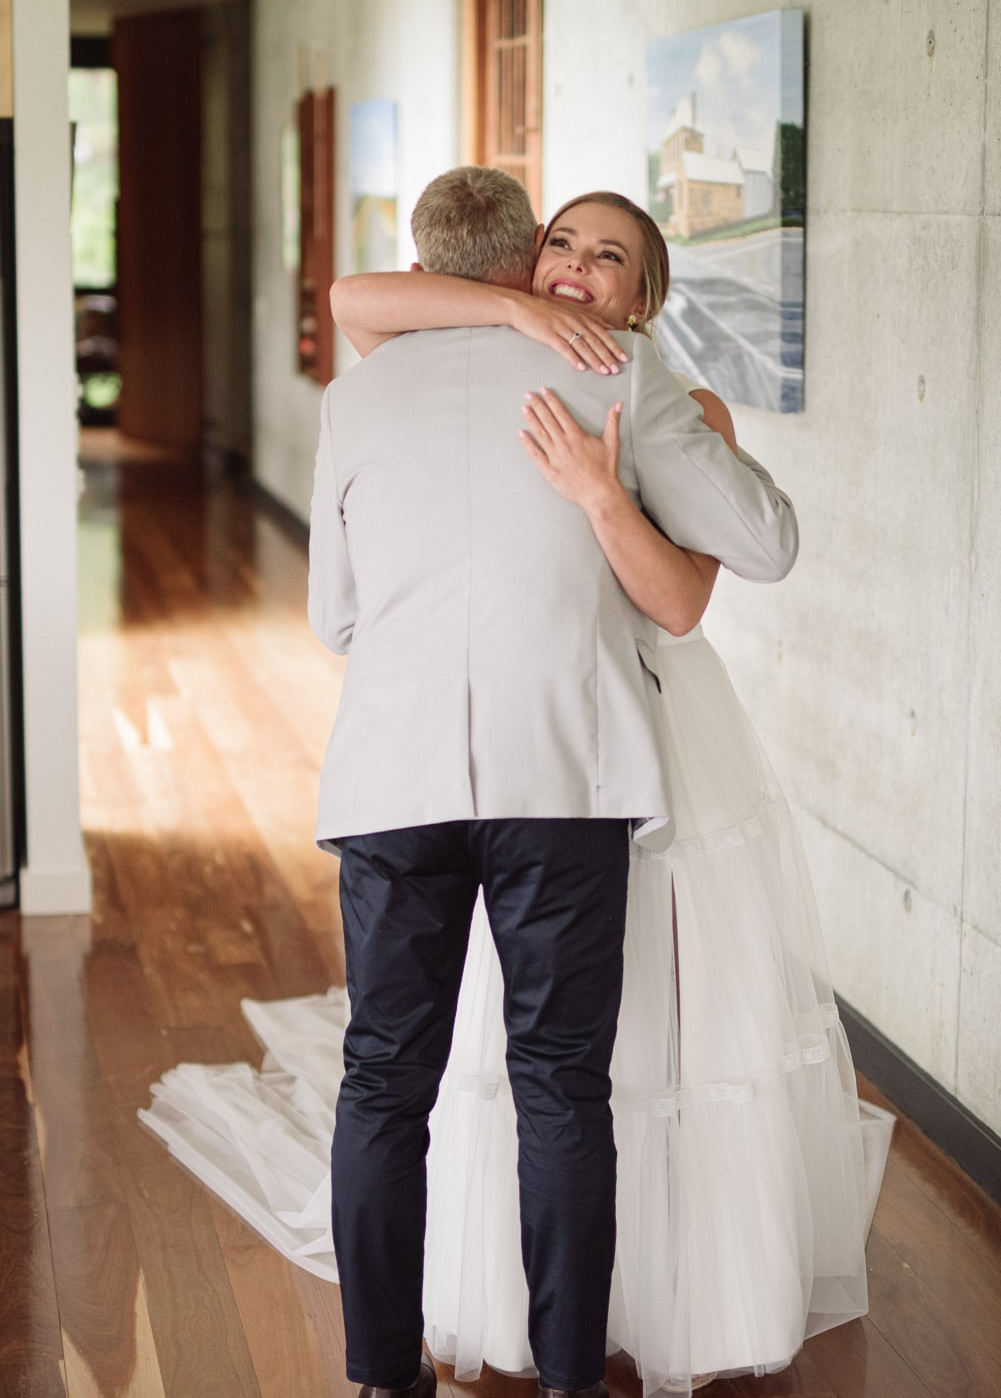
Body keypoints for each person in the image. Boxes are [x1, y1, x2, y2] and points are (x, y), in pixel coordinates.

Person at [303, 166, 798, 1398]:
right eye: (561, 248)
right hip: (561, 778)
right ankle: (574, 1379)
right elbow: (767, 544)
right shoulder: (616, 378)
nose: (574, 269)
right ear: (525, 260)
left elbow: (334, 613)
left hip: (391, 780)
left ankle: (380, 1377)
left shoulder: (357, 394)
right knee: (561, 1086)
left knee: (381, 1078)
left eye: (604, 254)